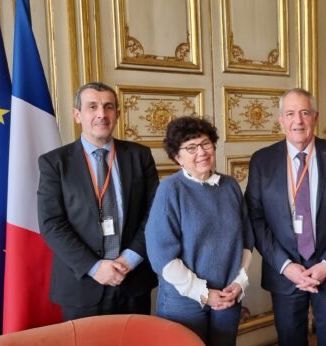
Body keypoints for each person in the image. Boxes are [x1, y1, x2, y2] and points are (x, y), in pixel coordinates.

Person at [245, 88, 326, 346]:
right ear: (281, 120)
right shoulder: (262, 161)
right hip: (284, 273)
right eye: (290, 114)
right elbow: (255, 218)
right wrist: (286, 266)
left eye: (304, 113)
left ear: (315, 117)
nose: (297, 121)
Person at [37, 82, 159, 321]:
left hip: (132, 280)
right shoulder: (55, 163)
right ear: (77, 114)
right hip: (82, 284)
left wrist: (130, 259)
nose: (101, 114)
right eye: (92, 107)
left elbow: (154, 213)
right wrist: (95, 267)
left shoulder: (140, 155)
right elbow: (52, 223)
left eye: (108, 107)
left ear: (118, 114)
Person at [145, 116, 253, 345]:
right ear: (177, 157)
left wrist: (239, 283)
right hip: (184, 300)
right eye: (191, 147)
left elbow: (246, 240)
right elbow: (161, 257)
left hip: (227, 296)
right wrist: (202, 293)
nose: (201, 152)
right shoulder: (170, 189)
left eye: (205, 144)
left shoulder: (231, 186)